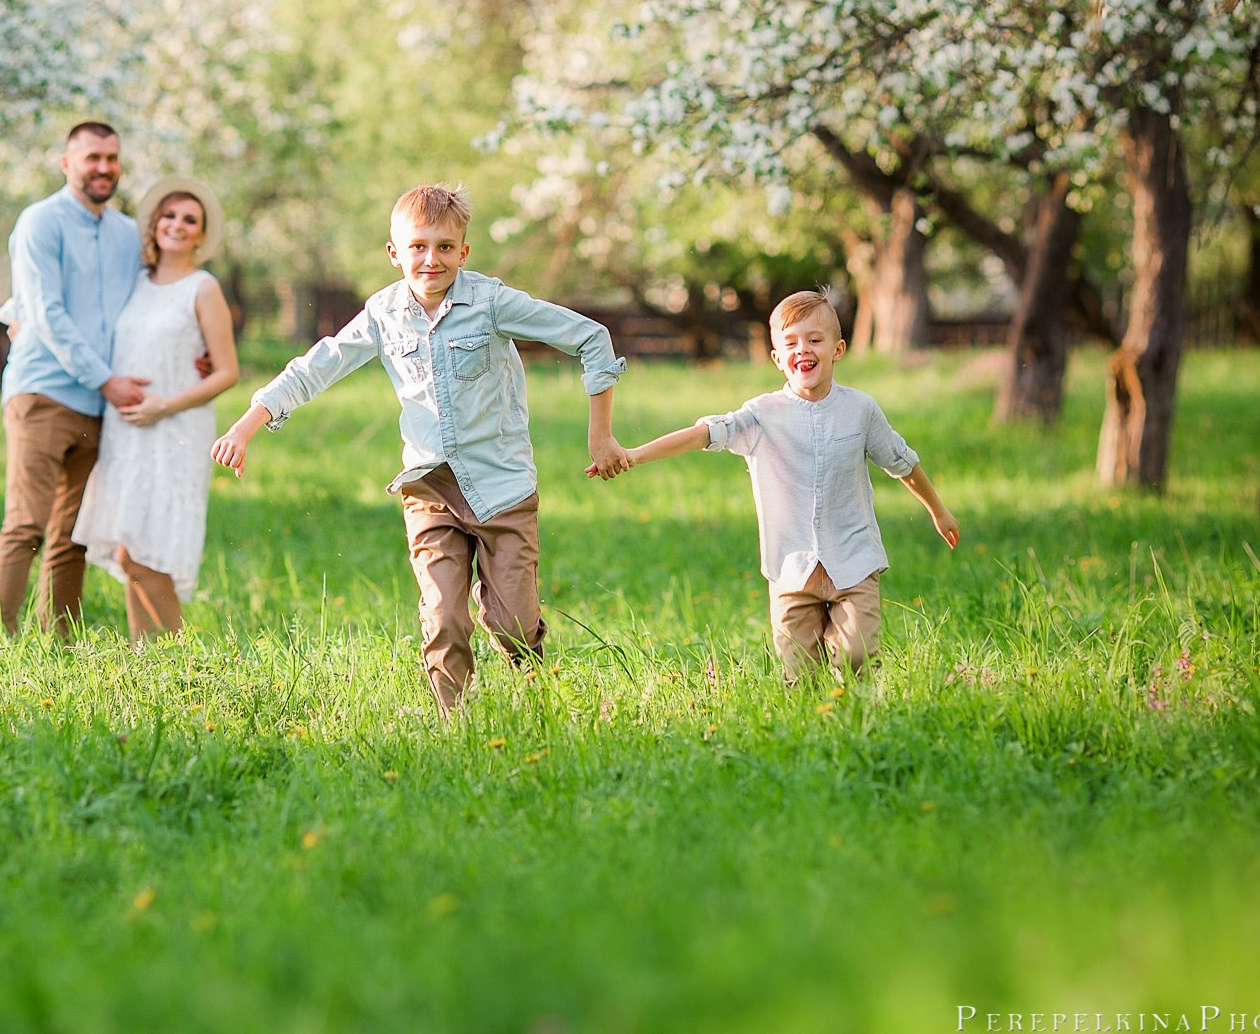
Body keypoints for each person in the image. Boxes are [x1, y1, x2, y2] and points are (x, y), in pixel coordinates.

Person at [212, 184, 626, 714]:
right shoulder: (384, 314)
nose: (432, 259)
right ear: (394, 252)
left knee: (514, 624)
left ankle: (537, 695)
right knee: (442, 615)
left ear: (464, 251)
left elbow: (591, 337)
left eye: (445, 247)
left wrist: (601, 435)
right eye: (418, 246)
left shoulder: (493, 303)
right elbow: (319, 365)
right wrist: (246, 425)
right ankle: (453, 720)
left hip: (502, 487)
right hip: (428, 488)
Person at [593, 288, 958, 680]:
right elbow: (703, 434)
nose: (803, 349)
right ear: (777, 358)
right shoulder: (762, 415)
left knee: (857, 656)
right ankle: (815, 729)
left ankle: (862, 721)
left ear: (837, 349)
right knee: (799, 676)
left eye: (815, 340)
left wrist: (938, 510)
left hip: (853, 560)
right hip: (790, 569)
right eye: (791, 343)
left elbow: (901, 462)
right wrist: (634, 454)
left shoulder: (861, 411)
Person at [0, 122, 151, 639]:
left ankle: (57, 647)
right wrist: (106, 381)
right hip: (43, 392)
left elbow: (146, 306)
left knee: (73, 534)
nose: (104, 168)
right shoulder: (40, 222)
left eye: (112, 158)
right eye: (92, 157)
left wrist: (199, 355)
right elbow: (47, 312)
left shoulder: (127, 233)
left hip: (100, 407)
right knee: (25, 524)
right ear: (66, 163)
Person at [70, 179, 238, 642]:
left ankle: (178, 658)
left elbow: (226, 372)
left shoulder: (202, 289)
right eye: (170, 216)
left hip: (175, 428)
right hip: (125, 434)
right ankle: (146, 658)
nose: (178, 226)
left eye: (190, 220)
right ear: (154, 224)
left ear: (201, 235)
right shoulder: (137, 284)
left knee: (151, 550)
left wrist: (164, 405)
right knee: (128, 550)